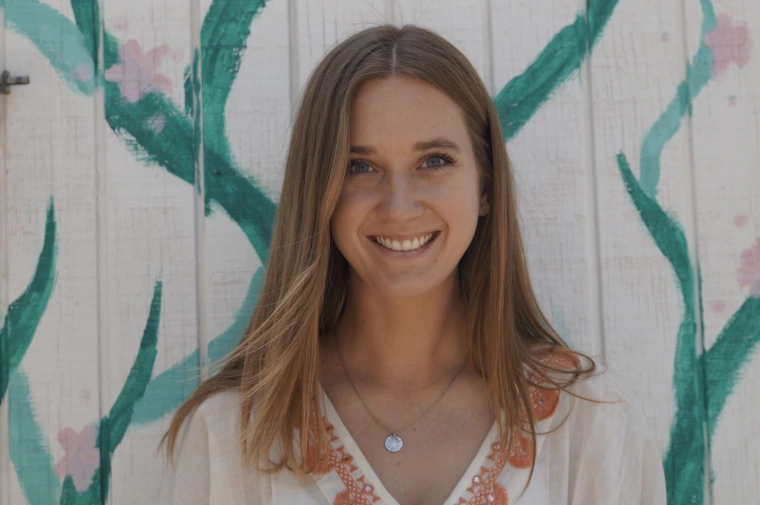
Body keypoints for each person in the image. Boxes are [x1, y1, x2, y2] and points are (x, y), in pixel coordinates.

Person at [158, 23, 667, 505]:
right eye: (359, 166)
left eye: (434, 161)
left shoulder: (591, 424)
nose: (399, 207)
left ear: (485, 187)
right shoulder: (231, 433)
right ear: (321, 193)